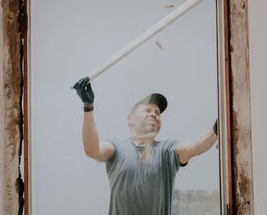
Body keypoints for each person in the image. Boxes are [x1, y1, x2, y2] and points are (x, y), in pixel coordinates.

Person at [73, 76, 218, 215]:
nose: (154, 114)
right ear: (130, 119)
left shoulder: (166, 151)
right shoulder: (116, 148)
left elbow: (195, 147)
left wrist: (217, 129)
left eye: (157, 112)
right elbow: (92, 150)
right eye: (148, 110)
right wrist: (88, 107)